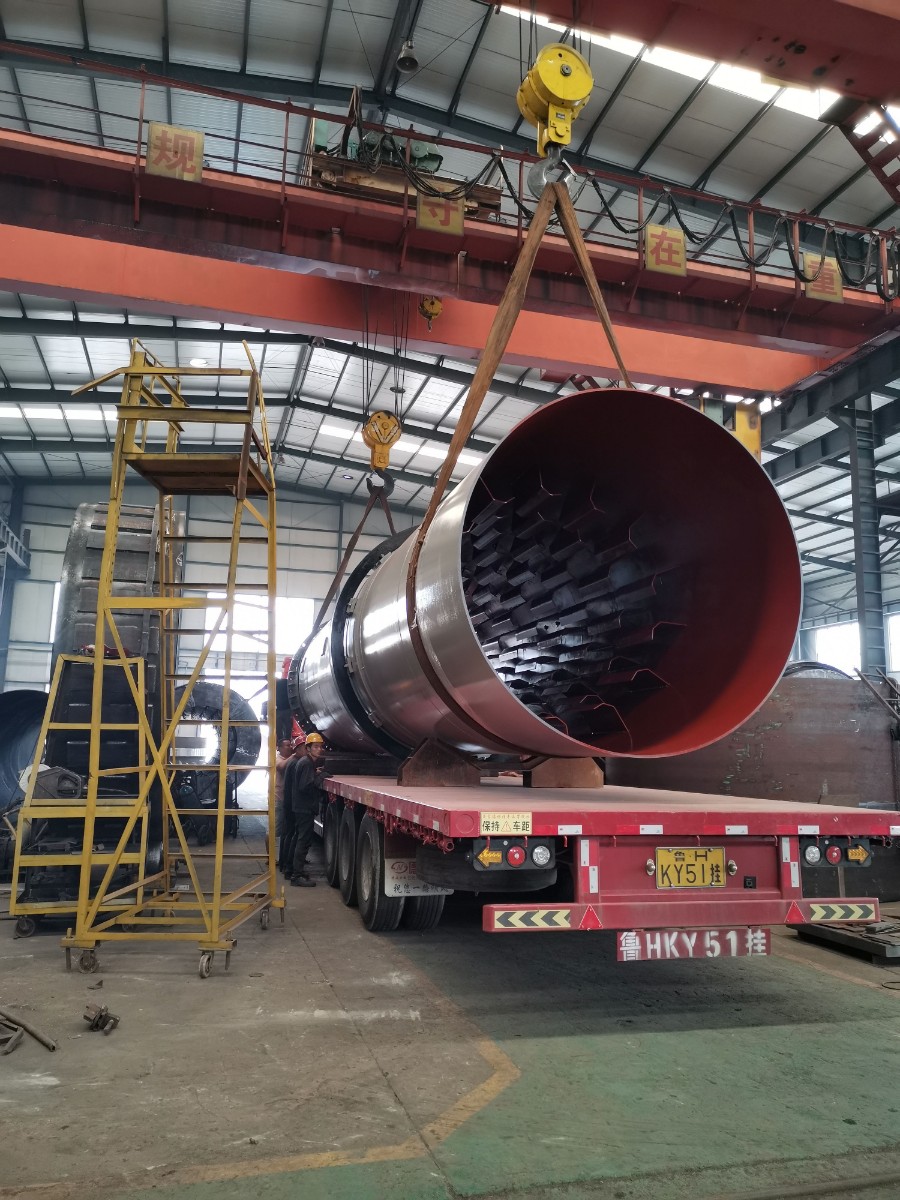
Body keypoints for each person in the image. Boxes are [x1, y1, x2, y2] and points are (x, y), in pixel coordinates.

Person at [289, 732, 327, 887]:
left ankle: (295, 871)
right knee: (303, 840)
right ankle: (296, 876)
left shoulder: (307, 762)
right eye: (315, 747)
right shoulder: (306, 763)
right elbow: (305, 786)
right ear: (308, 748)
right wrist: (320, 777)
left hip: (301, 807)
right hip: (304, 808)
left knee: (300, 839)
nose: (319, 749)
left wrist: (315, 773)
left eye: (320, 747)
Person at [278, 736, 306, 874]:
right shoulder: (295, 763)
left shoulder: (293, 762)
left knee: (287, 833)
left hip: (288, 802)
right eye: (306, 748)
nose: (307, 751)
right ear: (298, 749)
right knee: (291, 834)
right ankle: (288, 866)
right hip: (291, 804)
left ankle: (284, 864)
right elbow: (301, 785)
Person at [273, 737, 293, 843]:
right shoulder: (278, 759)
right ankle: (270, 852)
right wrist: (295, 755)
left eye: (291, 745)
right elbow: (281, 767)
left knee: (285, 830)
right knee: (275, 830)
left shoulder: (289, 760)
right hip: (279, 799)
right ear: (279, 748)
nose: (290, 747)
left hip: (287, 799)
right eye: (287, 746)